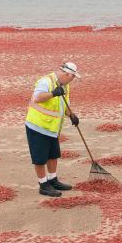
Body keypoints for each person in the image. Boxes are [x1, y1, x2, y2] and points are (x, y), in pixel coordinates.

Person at [25, 62, 81, 197]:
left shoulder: (65, 86)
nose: (73, 80)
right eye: (72, 77)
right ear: (67, 74)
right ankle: (43, 185)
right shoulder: (46, 81)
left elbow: (64, 105)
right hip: (38, 126)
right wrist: (53, 93)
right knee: (40, 157)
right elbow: (38, 98)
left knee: (53, 155)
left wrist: (72, 115)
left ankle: (53, 180)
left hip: (52, 128)